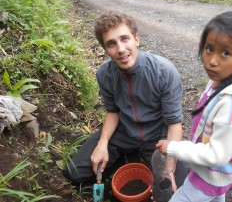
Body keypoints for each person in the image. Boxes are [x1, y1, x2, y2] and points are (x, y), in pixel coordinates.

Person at [62, 10, 184, 197]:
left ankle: (139, 159)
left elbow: (174, 122)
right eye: (111, 44)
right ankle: (121, 160)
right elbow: (112, 111)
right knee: (75, 173)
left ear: (136, 38)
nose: (120, 49)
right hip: (124, 132)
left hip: (158, 137)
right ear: (105, 49)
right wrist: (102, 143)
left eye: (124, 39)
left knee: (176, 189)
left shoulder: (164, 71)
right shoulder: (104, 74)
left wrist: (168, 169)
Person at [156, 11, 232, 202]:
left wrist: (174, 147)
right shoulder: (226, 78)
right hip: (219, 174)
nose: (212, 61)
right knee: (216, 197)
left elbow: (216, 155)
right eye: (209, 49)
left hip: (210, 175)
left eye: (225, 52)